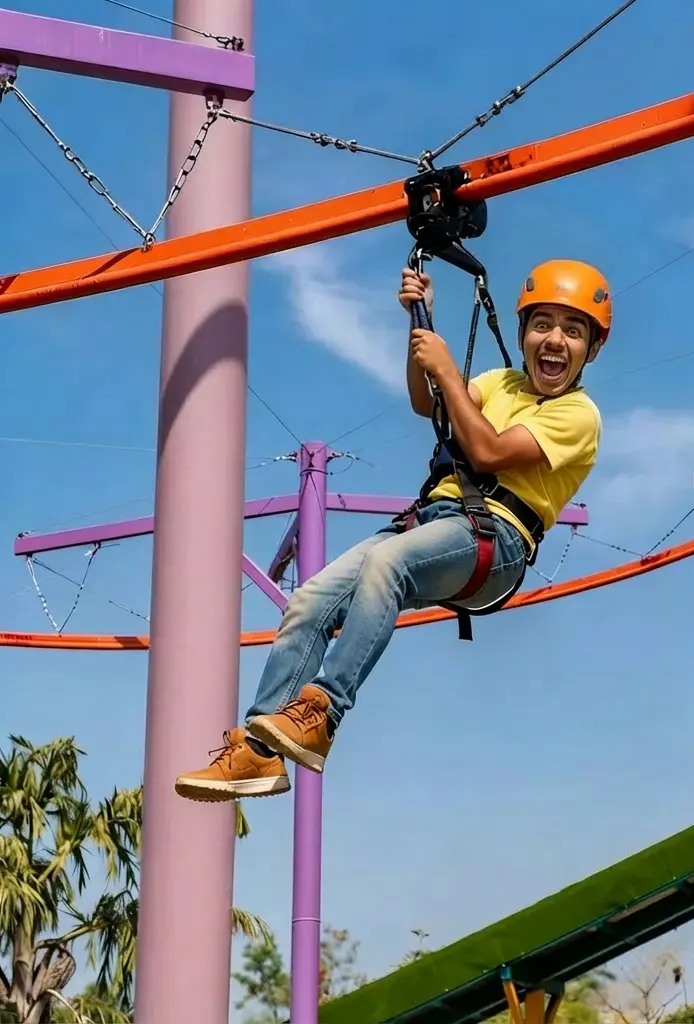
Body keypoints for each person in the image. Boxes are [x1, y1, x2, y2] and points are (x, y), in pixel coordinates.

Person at [174, 258, 611, 801]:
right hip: (434, 520)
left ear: (591, 349)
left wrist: (448, 369)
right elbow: (427, 400)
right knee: (308, 602)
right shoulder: (501, 383)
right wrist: (418, 326)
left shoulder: (578, 414)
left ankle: (323, 710)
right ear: (522, 333)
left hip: (495, 542)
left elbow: (489, 451)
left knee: (389, 564)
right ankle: (258, 754)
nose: (554, 340)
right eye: (543, 324)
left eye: (572, 332)